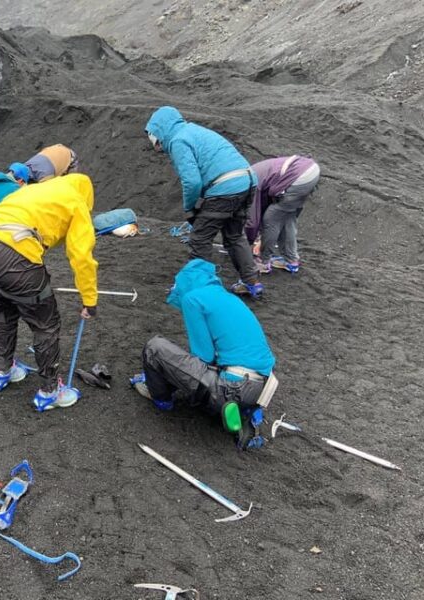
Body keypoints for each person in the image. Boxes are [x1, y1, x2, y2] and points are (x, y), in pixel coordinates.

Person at [0, 173, 98, 411]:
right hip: (13, 254)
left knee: (3, 306)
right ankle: (50, 391)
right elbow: (81, 257)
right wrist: (89, 299)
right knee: (45, 323)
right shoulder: (76, 201)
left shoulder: (36, 190)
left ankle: (2, 371)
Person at [130, 259, 278, 449]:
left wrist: (165, 375)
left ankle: (161, 397)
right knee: (199, 362)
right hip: (263, 386)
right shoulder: (229, 298)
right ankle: (247, 410)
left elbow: (204, 356)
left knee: (155, 348)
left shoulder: (192, 298)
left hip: (231, 386)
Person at [144, 106, 263, 299]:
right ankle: (252, 283)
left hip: (226, 187)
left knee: (199, 239)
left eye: (153, 137)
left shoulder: (178, 140)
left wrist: (189, 208)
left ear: (160, 130)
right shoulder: (194, 130)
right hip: (247, 182)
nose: (155, 143)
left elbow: (192, 181)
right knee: (234, 236)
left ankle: (200, 289)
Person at [245, 155, 321, 274]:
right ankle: (291, 261)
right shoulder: (251, 173)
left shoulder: (249, 184)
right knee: (287, 217)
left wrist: (248, 244)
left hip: (299, 178)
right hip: (310, 170)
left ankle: (262, 262)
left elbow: (252, 222)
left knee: (271, 218)